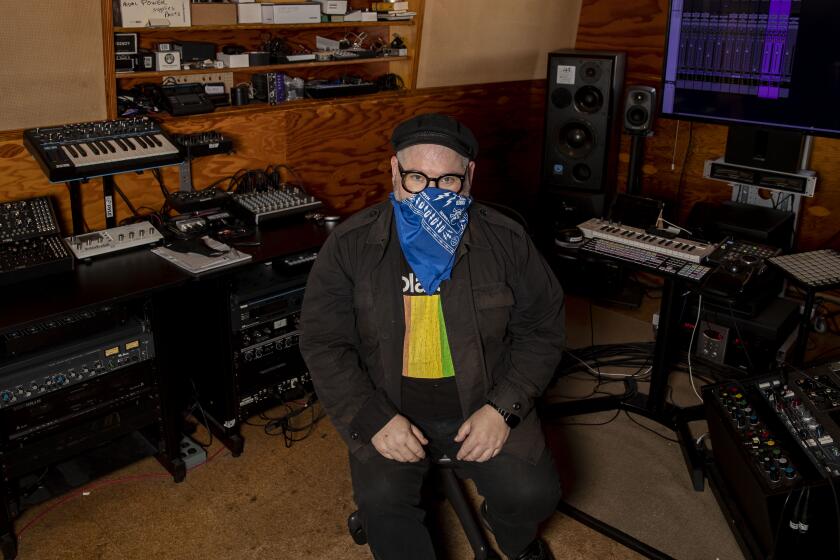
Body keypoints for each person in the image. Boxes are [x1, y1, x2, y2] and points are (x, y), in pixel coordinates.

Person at [299, 113, 565, 560]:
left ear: (470, 176)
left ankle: (514, 540)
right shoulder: (349, 245)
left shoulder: (506, 240)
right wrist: (372, 417)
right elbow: (324, 342)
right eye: (416, 177)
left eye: (448, 181)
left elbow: (542, 326)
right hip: (388, 408)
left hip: (484, 401)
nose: (431, 195)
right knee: (384, 507)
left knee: (533, 495)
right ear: (393, 171)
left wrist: (504, 409)